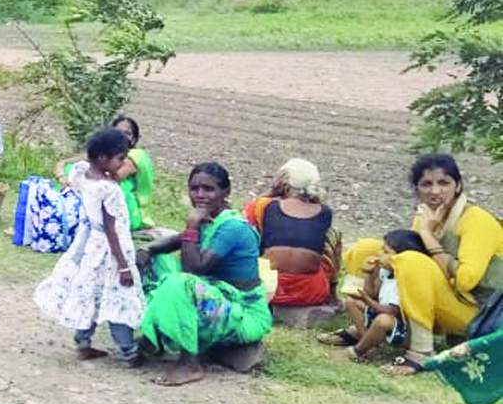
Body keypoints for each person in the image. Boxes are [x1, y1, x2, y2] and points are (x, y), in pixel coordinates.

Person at [342, 154, 503, 376]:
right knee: (365, 249)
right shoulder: (426, 216)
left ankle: (420, 353)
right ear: (416, 189)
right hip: (445, 296)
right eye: (427, 184)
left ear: (458, 186)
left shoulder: (477, 220)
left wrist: (428, 235)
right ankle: (369, 324)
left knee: (410, 260)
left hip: (481, 311)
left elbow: (466, 281)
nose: (435, 191)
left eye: (444, 183)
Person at [138, 162, 271, 386]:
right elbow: (175, 241)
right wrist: (147, 250)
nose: (200, 195)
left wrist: (191, 225)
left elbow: (194, 270)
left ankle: (189, 363)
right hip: (215, 298)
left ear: (225, 192)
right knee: (146, 261)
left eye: (208, 189)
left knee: (179, 283)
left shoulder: (232, 227)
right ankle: (159, 335)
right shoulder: (210, 219)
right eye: (194, 188)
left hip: (243, 313)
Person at [34, 129, 145, 366]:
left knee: (91, 294)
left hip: (90, 247)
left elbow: (73, 167)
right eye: (120, 158)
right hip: (110, 251)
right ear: (104, 159)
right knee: (118, 297)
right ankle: (129, 351)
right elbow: (111, 229)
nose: (124, 163)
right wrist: (123, 266)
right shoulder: (109, 190)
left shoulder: (82, 174)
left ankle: (82, 341)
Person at [242, 158, 337, 307]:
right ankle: (333, 295)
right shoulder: (325, 212)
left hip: (267, 287)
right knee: (330, 247)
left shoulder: (262, 205)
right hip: (311, 292)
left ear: (285, 183)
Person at [322, 229, 425, 362]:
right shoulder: (386, 272)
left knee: (383, 320)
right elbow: (373, 293)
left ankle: (357, 351)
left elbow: (391, 311)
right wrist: (369, 274)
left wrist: (367, 300)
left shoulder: (405, 280)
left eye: (386, 252)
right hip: (381, 312)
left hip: (402, 329)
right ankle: (367, 344)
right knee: (351, 302)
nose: (379, 254)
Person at [54, 115, 155, 230]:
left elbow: (111, 179)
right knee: (74, 168)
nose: (122, 136)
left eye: (127, 133)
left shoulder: (136, 156)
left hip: (126, 212)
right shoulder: (104, 154)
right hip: (99, 206)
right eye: (118, 132)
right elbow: (62, 163)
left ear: (134, 139)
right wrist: (63, 177)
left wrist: (79, 178)